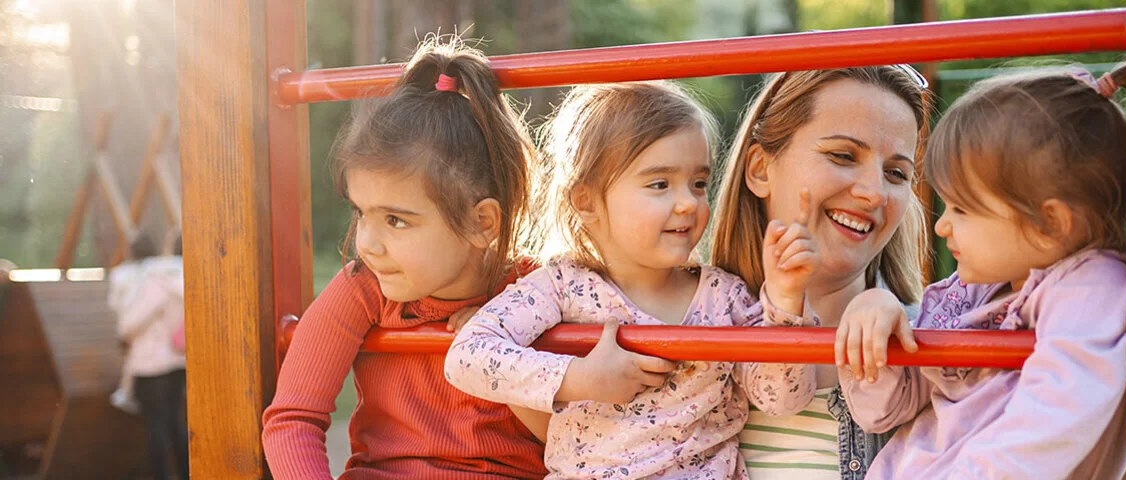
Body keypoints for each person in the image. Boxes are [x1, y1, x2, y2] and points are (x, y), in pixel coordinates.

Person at [445, 81, 818, 479]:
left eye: (698, 184)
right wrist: (579, 379)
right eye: (660, 184)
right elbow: (466, 357)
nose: (688, 203)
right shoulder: (562, 285)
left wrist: (785, 299)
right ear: (586, 201)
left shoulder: (724, 297)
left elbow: (782, 399)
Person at [260, 37, 548, 479]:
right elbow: (292, 419)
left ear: (483, 223)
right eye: (361, 213)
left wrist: (494, 357)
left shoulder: (537, 293)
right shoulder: (365, 287)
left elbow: (573, 438)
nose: (367, 244)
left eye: (396, 220)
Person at [836, 63, 1126, 479]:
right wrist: (872, 322)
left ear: (1050, 224)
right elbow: (884, 410)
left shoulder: (1090, 288)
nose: (942, 226)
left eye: (962, 208)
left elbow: (1060, 411)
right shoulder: (973, 293)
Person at [707, 66, 932, 480]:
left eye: (896, 173)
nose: (875, 192)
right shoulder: (682, 327)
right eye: (844, 156)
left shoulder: (931, 346)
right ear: (759, 169)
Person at [111, 232, 187, 480]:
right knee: (176, 423)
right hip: (178, 360)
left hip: (151, 364)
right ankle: (188, 474)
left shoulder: (158, 280)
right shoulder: (186, 279)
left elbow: (128, 326)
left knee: (156, 426)